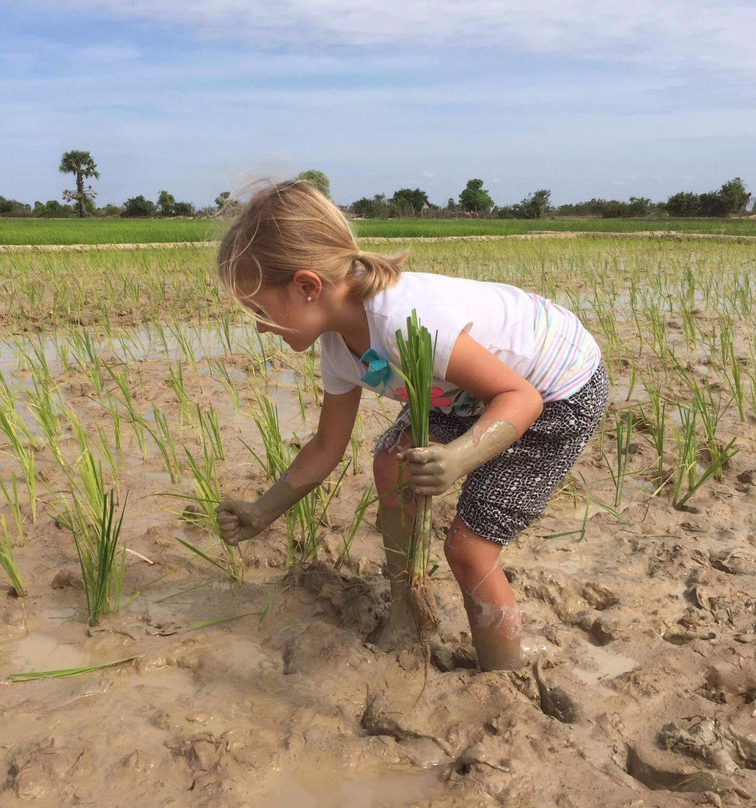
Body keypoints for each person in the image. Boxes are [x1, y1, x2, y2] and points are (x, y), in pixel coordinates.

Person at [215, 180, 608, 671]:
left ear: (307, 287)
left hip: (555, 391)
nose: (258, 325)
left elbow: (520, 397)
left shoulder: (407, 322)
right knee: (391, 463)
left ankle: (501, 674)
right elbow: (325, 447)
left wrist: (459, 457)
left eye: (260, 309)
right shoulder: (338, 347)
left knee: (468, 549)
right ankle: (408, 610)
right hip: (464, 392)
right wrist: (262, 511)